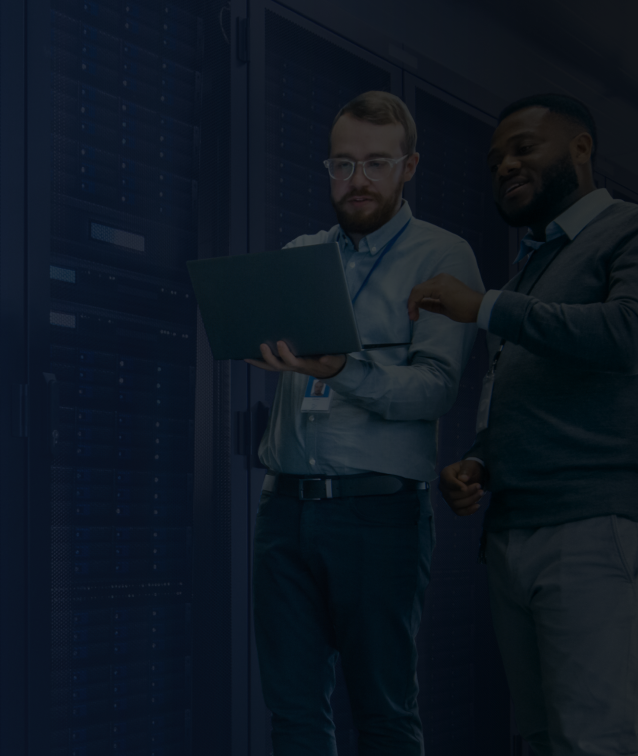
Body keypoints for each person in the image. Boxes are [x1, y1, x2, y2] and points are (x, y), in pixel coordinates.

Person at [407, 93, 638, 756]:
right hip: (518, 526)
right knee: (542, 739)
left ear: (580, 149)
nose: (504, 165)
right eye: (494, 160)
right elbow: (520, 391)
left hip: (602, 518)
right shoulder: (533, 267)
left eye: (522, 148)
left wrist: (484, 306)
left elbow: (630, 336)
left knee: (590, 740)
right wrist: (480, 460)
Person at [244, 91, 485, 755]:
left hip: (378, 517)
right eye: (342, 164)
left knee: (381, 711)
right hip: (284, 513)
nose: (357, 181)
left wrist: (341, 368)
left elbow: (435, 391)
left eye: (376, 164)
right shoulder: (302, 252)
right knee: (292, 712)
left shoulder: (442, 256)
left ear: (409, 168)